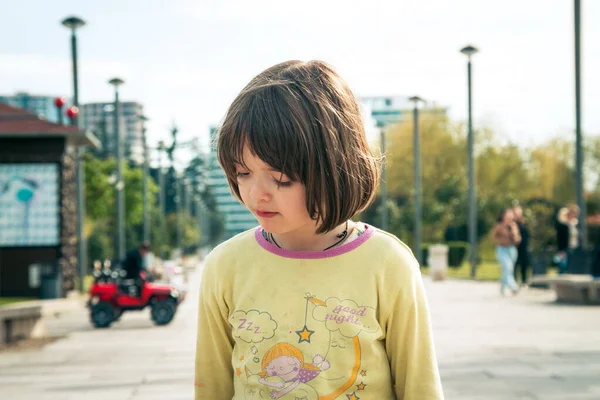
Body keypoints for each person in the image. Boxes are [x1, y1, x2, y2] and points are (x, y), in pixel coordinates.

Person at [195, 61, 443, 399]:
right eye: (242, 173)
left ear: (335, 168)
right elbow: (211, 386)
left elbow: (420, 387)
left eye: (281, 178)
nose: (256, 194)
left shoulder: (387, 264)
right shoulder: (225, 266)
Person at [493, 208, 521, 296]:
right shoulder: (499, 225)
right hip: (502, 249)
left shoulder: (514, 226)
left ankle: (502, 287)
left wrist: (513, 232)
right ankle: (514, 287)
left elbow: (517, 239)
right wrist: (500, 241)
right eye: (507, 214)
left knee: (508, 270)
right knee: (508, 268)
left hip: (512, 249)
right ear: (503, 215)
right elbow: (494, 237)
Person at [512, 205, 530, 286]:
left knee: (524, 263)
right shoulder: (512, 223)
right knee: (514, 264)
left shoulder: (524, 222)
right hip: (514, 246)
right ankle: (514, 280)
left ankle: (524, 280)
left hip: (523, 246)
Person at [555, 207, 570, 274]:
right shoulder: (561, 225)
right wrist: (561, 249)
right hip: (563, 248)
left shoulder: (566, 224)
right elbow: (560, 238)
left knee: (564, 263)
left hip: (565, 247)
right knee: (563, 264)